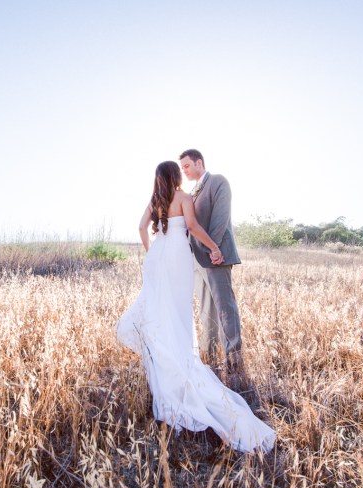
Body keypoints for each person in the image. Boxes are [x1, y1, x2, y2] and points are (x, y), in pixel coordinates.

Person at [116, 161, 275, 453]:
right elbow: (191, 226)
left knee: (159, 313)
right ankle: (179, 358)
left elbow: (141, 227)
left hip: (158, 257)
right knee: (177, 313)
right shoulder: (183, 198)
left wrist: (152, 250)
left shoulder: (156, 200)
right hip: (177, 256)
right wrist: (214, 247)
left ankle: (164, 365)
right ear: (175, 177)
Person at [179, 149, 248, 393]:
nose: (184, 171)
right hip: (198, 260)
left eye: (187, 166)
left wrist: (215, 249)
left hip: (216, 256)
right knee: (206, 310)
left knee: (225, 308)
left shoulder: (218, 181)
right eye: (182, 168)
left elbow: (220, 218)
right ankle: (209, 358)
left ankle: (234, 362)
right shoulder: (191, 192)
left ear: (199, 162)